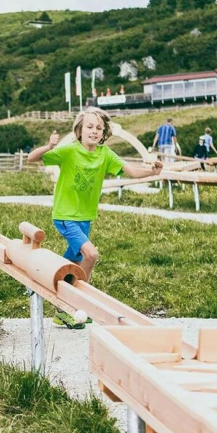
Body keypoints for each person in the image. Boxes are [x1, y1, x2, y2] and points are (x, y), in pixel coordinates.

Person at [28, 107, 163, 328]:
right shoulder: (69, 151)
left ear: (103, 133)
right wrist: (49, 146)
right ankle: (79, 304)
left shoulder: (105, 155)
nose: (94, 131)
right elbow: (32, 158)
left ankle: (61, 306)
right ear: (79, 131)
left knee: (72, 263)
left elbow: (131, 171)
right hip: (65, 216)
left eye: (99, 128)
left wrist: (152, 172)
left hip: (85, 218)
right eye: (89, 127)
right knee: (90, 255)